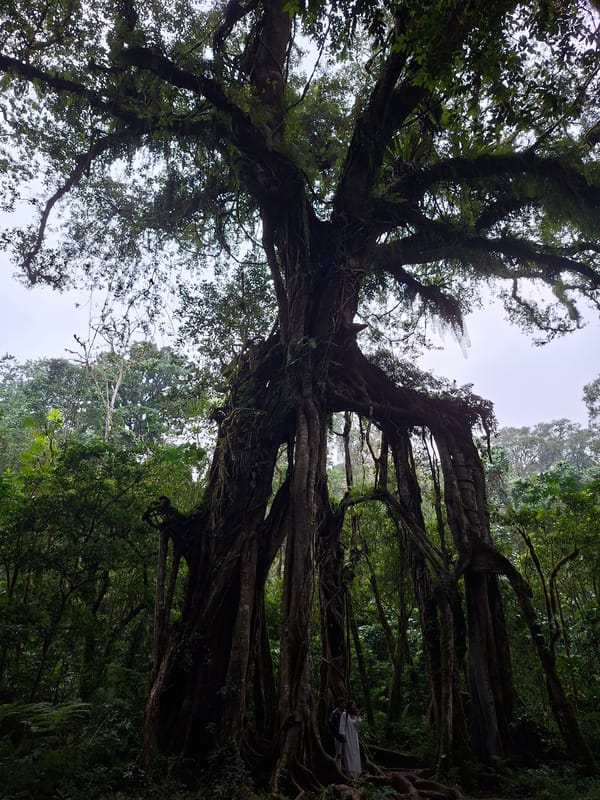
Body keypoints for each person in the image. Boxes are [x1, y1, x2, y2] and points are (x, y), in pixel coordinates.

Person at [338, 700, 362, 778]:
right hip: (347, 737)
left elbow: (358, 726)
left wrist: (358, 716)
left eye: (355, 705)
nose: (355, 707)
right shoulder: (345, 714)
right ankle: (350, 772)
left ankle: (357, 772)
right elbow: (342, 725)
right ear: (350, 706)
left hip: (354, 737)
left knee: (356, 753)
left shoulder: (355, 716)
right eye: (353, 705)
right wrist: (343, 735)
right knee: (348, 754)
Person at [328, 697, 346, 765]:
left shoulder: (346, 712)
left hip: (346, 735)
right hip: (338, 736)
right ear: (339, 704)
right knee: (338, 754)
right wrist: (339, 733)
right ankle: (339, 769)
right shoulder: (335, 713)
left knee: (346, 752)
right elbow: (332, 724)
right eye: (343, 703)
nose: (344, 704)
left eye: (344, 703)